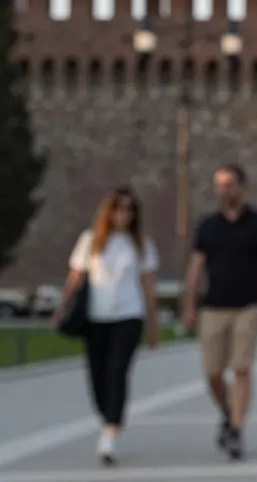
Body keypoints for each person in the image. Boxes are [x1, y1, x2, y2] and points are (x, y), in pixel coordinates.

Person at [181, 164, 257, 461]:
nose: (223, 190)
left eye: (229, 184)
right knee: (212, 372)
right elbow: (195, 267)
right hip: (214, 306)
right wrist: (188, 305)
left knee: (241, 368)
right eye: (219, 185)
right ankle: (228, 411)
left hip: (249, 305)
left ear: (242, 187)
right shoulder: (208, 226)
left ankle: (236, 430)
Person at [53, 188, 159, 466]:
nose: (123, 215)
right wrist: (62, 307)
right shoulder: (90, 241)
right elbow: (75, 278)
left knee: (117, 373)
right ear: (108, 211)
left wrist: (153, 326)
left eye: (129, 210)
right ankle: (107, 417)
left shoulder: (140, 244)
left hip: (128, 316)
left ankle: (110, 434)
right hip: (96, 319)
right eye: (118, 209)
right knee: (98, 378)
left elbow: (148, 286)